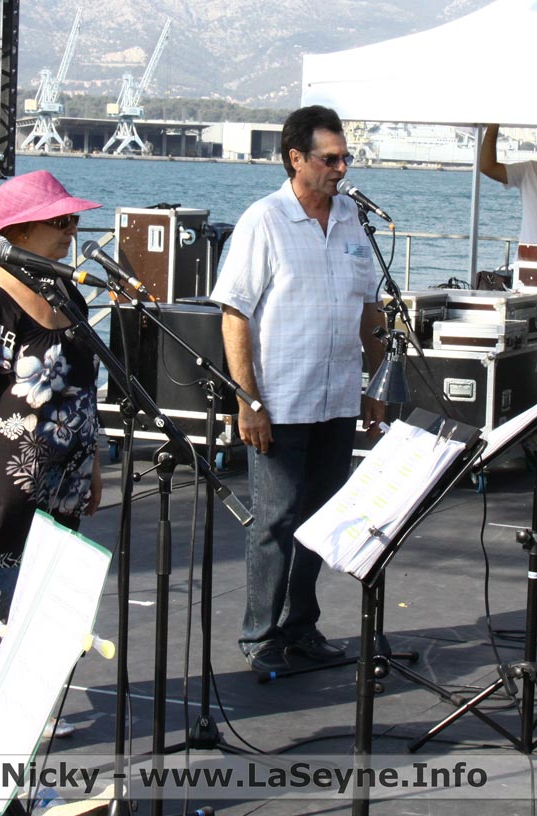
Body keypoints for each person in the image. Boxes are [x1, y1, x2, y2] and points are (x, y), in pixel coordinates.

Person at [210, 105, 386, 674]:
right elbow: (234, 314)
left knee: (321, 517)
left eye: (345, 158)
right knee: (276, 520)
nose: (341, 168)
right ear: (296, 159)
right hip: (280, 401)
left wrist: (378, 381)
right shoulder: (264, 220)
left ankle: (300, 626)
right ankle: (259, 638)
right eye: (329, 159)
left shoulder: (352, 221)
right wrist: (248, 401)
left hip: (337, 398)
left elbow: (370, 309)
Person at [0, 170, 104, 715]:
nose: (71, 230)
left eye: (73, 219)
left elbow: (83, 389)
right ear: (21, 230)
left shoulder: (65, 291)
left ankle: (19, 724)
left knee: (41, 609)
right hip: (6, 485)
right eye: (61, 221)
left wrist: (93, 462)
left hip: (64, 482)